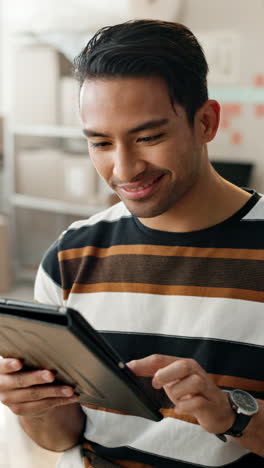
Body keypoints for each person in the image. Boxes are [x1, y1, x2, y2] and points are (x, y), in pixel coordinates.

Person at [0, 19, 263, 468]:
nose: (124, 169)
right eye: (101, 142)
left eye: (148, 137)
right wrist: (35, 404)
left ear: (206, 121)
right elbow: (62, 436)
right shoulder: (69, 257)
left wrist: (231, 415)